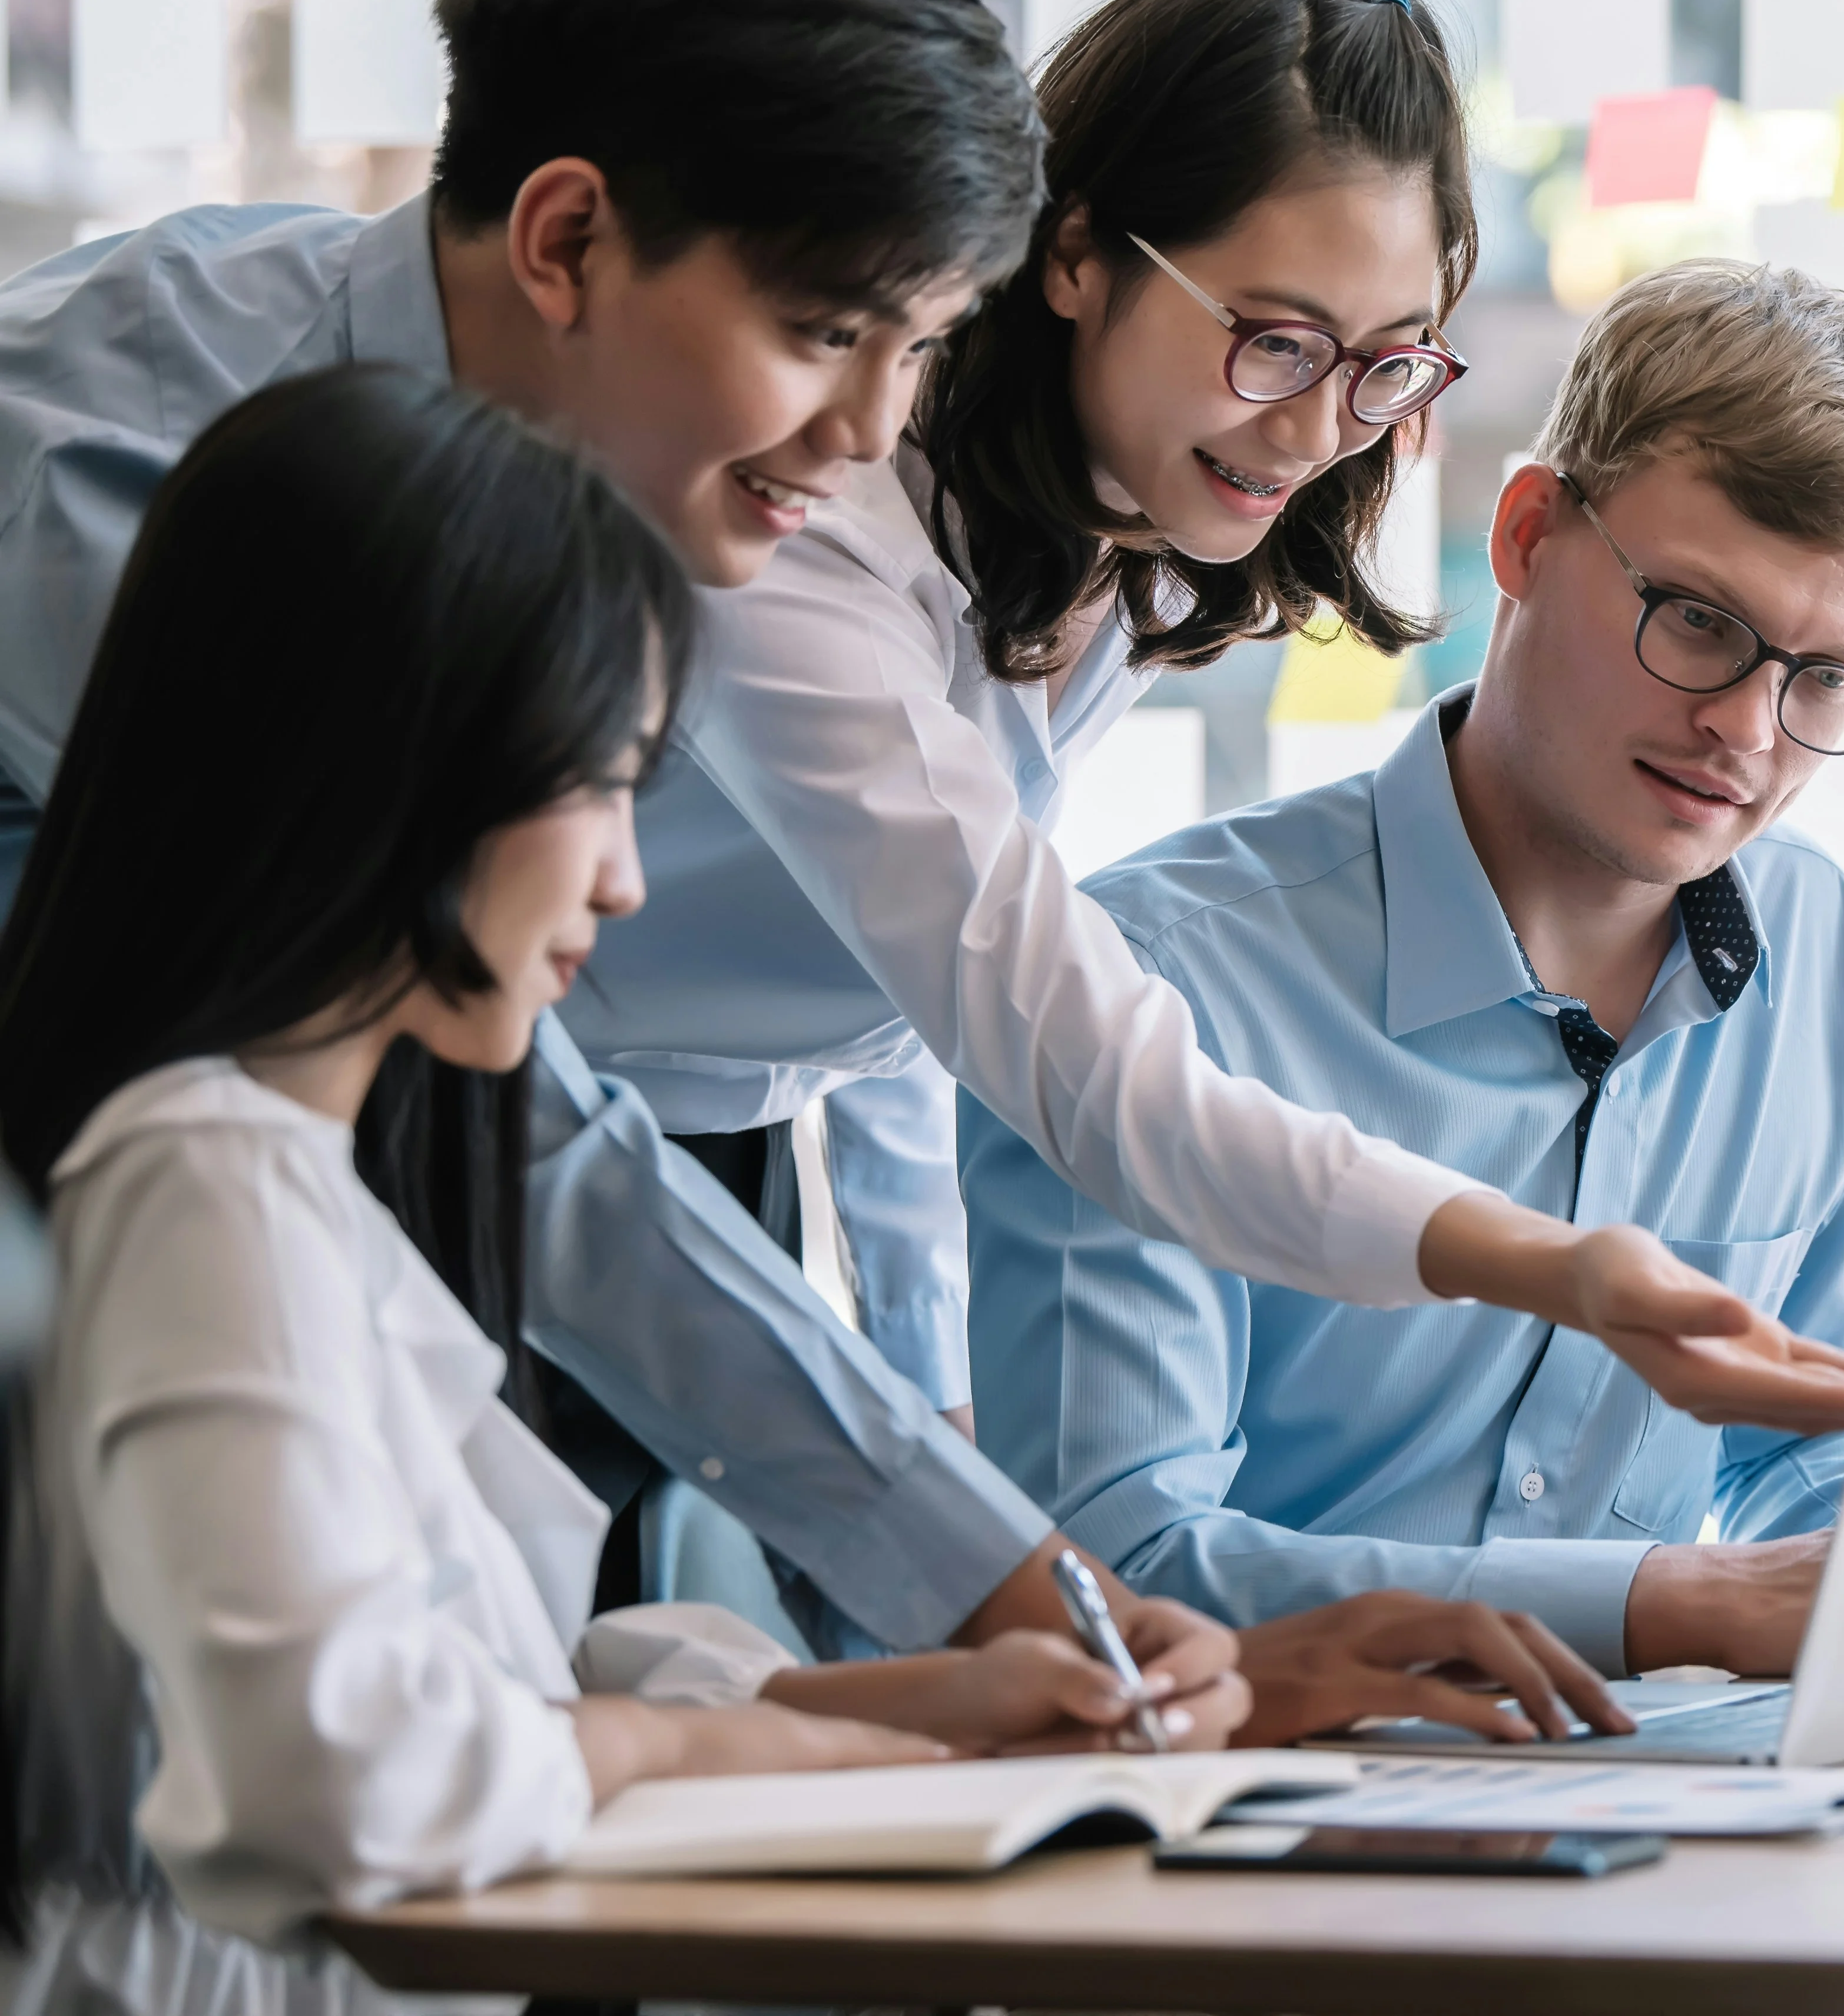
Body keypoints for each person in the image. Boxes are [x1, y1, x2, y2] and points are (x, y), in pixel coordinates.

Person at [0, 0, 1844, 1682]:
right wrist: (1540, 1271)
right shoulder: (135, 479)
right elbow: (941, 1053)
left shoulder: (988, 528)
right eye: (827, 335)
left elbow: (857, 1027)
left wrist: (1003, 1560)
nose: (863, 432)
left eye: (1383, 365)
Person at [0, 369, 1229, 2012]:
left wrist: (935, 1708)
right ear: (401, 757)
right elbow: (354, 1770)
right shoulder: (200, 1181)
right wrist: (680, 1737)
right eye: (598, 783)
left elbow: (491, 1679)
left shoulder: (295, 1186)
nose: (628, 880)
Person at [967, 263, 1844, 1714]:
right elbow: (1106, 1580)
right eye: (1696, 621)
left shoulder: (1809, 941)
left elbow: (1793, 1439)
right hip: (1235, 1846)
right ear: (1524, 535)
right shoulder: (1144, 981)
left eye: (1825, 680)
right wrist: (1669, 1600)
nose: (1746, 732)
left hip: (1653, 1817)